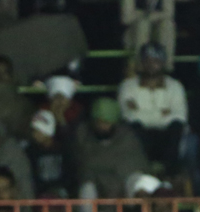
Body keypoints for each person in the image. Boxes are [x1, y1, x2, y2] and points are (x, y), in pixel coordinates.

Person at [118, 42, 187, 173]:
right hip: (141, 135)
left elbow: (180, 117)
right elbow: (128, 116)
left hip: (166, 136)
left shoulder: (175, 87)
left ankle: (169, 174)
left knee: (176, 128)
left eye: (156, 61)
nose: (151, 65)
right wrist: (162, 113)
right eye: (147, 60)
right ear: (141, 62)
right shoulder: (127, 86)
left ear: (163, 63)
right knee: (134, 128)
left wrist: (141, 112)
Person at [75, 97, 149, 199]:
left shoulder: (127, 137)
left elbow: (133, 165)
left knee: (137, 181)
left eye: (106, 122)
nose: (101, 126)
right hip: (95, 183)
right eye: (98, 122)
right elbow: (84, 165)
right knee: (87, 189)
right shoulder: (83, 134)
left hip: (122, 185)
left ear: (114, 122)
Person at [26, 110, 76, 198]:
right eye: (33, 131)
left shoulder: (64, 149)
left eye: (38, 131)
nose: (34, 134)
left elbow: (70, 175)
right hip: (40, 197)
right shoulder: (31, 152)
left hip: (62, 195)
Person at [121, 0, 176, 72]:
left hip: (157, 29)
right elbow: (126, 18)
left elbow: (169, 14)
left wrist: (149, 16)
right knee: (143, 25)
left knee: (167, 25)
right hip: (135, 32)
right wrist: (147, 17)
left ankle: (166, 66)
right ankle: (140, 66)